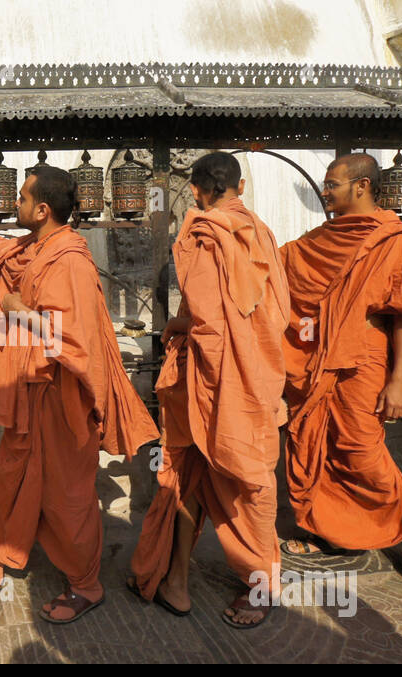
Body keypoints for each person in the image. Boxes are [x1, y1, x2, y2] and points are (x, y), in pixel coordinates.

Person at [0, 166, 159, 623]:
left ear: (42, 209)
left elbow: (75, 338)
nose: (15, 205)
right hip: (31, 398)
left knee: (67, 497)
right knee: (15, 480)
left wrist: (16, 310)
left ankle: (86, 585)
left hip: (63, 402)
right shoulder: (35, 248)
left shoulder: (69, 261)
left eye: (23, 198)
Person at [126, 152, 290, 628]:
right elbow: (269, 310)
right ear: (239, 186)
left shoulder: (202, 231)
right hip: (246, 376)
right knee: (187, 477)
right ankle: (174, 581)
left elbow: (208, 317)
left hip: (216, 383)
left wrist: (180, 326)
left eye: (191, 189)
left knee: (243, 482)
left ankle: (260, 583)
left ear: (200, 188)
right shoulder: (262, 231)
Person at [280, 153, 402, 586]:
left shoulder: (396, 241)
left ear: (362, 186)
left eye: (332, 184)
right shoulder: (318, 239)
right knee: (317, 444)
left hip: (364, 359)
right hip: (318, 360)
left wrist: (400, 382)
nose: (325, 191)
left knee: (359, 450)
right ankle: (331, 530)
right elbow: (276, 271)